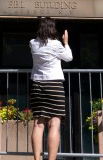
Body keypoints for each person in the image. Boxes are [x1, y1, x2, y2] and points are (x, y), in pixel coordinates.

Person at [29, 17, 72, 160]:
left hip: (37, 85)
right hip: (54, 84)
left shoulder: (33, 43)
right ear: (53, 29)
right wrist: (65, 43)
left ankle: (37, 158)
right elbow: (68, 57)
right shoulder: (56, 44)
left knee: (38, 123)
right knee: (54, 123)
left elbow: (39, 41)